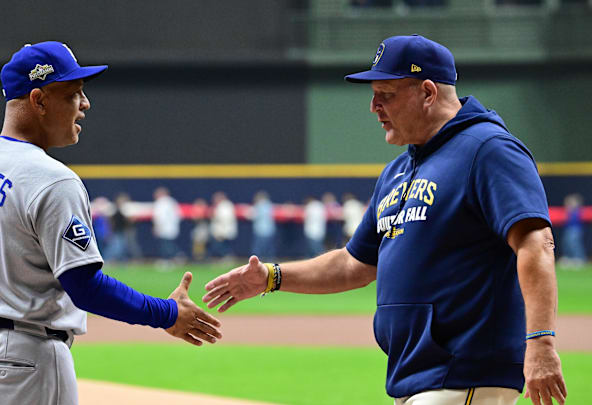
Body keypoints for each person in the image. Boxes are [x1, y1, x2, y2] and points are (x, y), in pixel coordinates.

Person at [203, 35, 566, 405]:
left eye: (386, 94)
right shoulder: (399, 170)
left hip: (466, 371)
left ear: (427, 92)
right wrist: (271, 277)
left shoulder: (488, 149)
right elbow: (353, 264)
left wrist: (540, 342)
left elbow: (536, 242)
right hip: (415, 377)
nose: (374, 106)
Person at [0, 41, 221, 405]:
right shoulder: (52, 179)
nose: (85, 104)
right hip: (28, 358)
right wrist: (167, 313)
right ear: (38, 101)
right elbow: (85, 286)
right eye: (73, 93)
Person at [152, 186, 182, 267]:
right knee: (169, 244)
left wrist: (157, 227)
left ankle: (168, 260)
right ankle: (176, 257)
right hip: (172, 227)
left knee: (166, 245)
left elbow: (159, 217)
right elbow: (179, 215)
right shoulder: (172, 201)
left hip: (164, 228)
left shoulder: (160, 203)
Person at [560, 193, 586, 268]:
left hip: (575, 230)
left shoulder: (578, 211)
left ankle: (579, 258)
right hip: (568, 230)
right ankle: (569, 258)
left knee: (574, 244)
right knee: (566, 243)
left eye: (570, 202)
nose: (568, 204)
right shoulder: (568, 212)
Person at [209, 191, 238, 259]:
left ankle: (228, 257)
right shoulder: (220, 206)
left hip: (224, 231)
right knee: (220, 246)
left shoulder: (225, 206)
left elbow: (224, 219)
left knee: (221, 246)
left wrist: (221, 232)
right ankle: (226, 257)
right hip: (221, 231)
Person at [250, 190, 276, 259]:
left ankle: (257, 262)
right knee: (269, 249)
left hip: (261, 230)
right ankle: (270, 263)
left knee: (258, 249)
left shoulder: (259, 206)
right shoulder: (270, 205)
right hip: (270, 230)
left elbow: (253, 215)